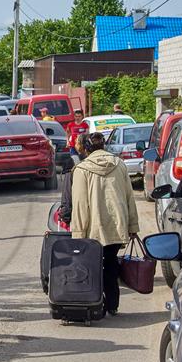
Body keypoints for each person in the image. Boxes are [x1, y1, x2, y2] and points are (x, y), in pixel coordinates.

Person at [70, 132, 139, 317]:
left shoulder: (82, 169)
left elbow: (79, 204)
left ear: (86, 149)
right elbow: (129, 197)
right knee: (110, 263)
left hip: (93, 228)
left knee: (91, 266)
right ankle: (113, 305)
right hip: (117, 225)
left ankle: (95, 303)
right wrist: (132, 226)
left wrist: (77, 234)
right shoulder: (119, 164)